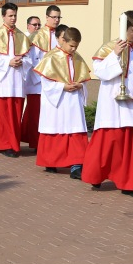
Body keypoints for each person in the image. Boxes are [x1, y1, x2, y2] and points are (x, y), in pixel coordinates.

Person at [83, 10, 133, 198]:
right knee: (108, 143)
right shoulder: (110, 48)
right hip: (112, 106)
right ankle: (97, 176)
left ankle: (130, 184)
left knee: (132, 147)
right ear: (124, 29)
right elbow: (100, 72)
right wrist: (115, 55)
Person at [33, 27, 91, 176]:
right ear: (63, 41)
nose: (74, 49)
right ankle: (51, 162)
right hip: (57, 101)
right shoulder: (50, 57)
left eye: (76, 46)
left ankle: (77, 165)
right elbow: (45, 82)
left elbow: (84, 79)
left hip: (73, 101)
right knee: (55, 128)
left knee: (76, 130)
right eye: (71, 46)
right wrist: (62, 87)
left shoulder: (77, 57)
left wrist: (81, 85)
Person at [0, 3, 32, 157]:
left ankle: (13, 143)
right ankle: (4, 144)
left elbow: (29, 58)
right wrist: (8, 62)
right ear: (3, 16)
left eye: (15, 15)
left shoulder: (21, 36)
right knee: (3, 115)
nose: (13, 18)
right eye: (10, 15)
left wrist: (22, 61)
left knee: (15, 114)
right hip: (2, 82)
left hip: (16, 81)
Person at [21, 5, 62, 151]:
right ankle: (36, 143)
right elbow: (32, 59)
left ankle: (50, 142)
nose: (56, 20)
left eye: (58, 17)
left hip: (56, 80)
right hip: (38, 81)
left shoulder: (61, 35)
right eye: (54, 17)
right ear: (47, 17)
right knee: (36, 112)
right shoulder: (37, 36)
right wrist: (44, 75)